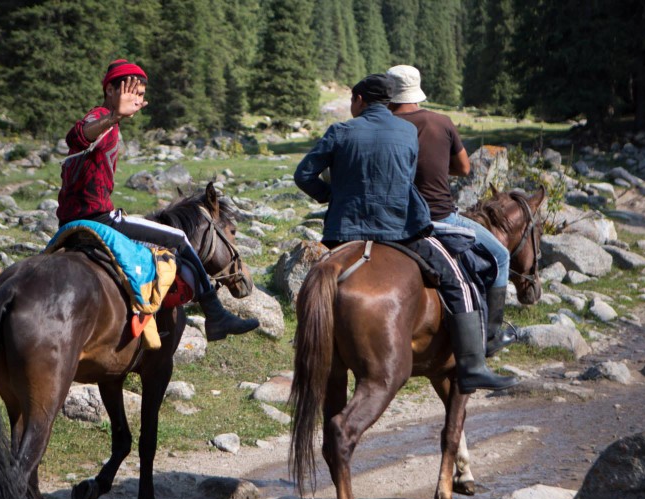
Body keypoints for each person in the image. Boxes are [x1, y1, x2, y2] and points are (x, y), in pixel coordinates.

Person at [294, 74, 515, 392]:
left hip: (342, 233)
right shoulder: (406, 132)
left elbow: (303, 174)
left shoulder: (340, 130)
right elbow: (405, 177)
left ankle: (304, 335)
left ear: (359, 100)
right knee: (456, 278)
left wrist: (331, 194)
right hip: (400, 231)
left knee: (315, 281)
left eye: (351, 101)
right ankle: (473, 363)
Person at [56, 59, 258, 341]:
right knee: (178, 238)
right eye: (131, 92)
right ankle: (216, 315)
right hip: (99, 218)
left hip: (68, 221)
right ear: (111, 91)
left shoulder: (109, 123)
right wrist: (113, 115)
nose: (137, 100)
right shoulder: (100, 118)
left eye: (139, 94)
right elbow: (77, 135)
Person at [386, 64, 518, 357]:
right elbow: (464, 168)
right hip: (439, 218)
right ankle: (492, 336)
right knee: (501, 255)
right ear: (416, 92)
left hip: (391, 220)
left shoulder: (384, 123)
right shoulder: (441, 122)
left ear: (390, 93)